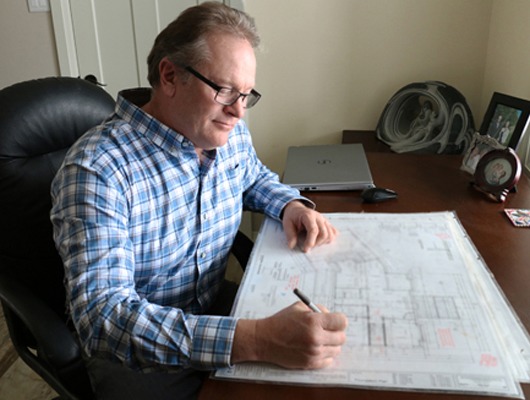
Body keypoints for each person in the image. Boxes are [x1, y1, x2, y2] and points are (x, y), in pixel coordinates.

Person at [50, 2, 348, 399]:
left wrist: (289, 205)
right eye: (225, 90)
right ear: (170, 75)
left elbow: (253, 177)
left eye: (246, 94)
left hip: (216, 308)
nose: (238, 111)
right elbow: (103, 318)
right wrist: (255, 339)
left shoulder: (225, 132)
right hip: (137, 356)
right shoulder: (98, 170)